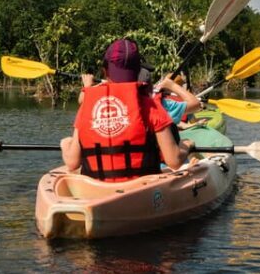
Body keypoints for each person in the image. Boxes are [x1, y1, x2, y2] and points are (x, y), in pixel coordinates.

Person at [60, 38, 194, 181]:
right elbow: (174, 160)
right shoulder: (151, 106)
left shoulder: (88, 105)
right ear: (137, 71)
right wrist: (187, 145)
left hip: (96, 190)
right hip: (140, 189)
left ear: (105, 71)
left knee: (67, 141)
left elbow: (72, 162)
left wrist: (64, 144)